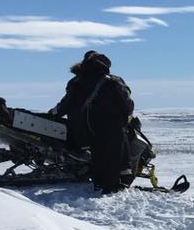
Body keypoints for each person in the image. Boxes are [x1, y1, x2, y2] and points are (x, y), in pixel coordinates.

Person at [52, 50, 134, 194]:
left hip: (81, 131)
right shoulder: (113, 81)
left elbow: (64, 105)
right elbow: (127, 105)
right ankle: (113, 186)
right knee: (116, 153)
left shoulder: (75, 81)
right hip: (109, 130)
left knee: (98, 156)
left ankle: (99, 184)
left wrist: (53, 114)